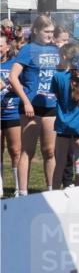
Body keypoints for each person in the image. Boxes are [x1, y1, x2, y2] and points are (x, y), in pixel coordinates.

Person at [8, 15, 60, 193]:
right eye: (46, 31)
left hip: (51, 105)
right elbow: (13, 77)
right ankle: (23, 193)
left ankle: (52, 191)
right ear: (36, 31)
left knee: (50, 151)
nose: (50, 35)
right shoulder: (28, 50)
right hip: (31, 107)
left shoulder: (55, 49)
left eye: (52, 31)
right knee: (27, 151)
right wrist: (25, 101)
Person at [51, 42, 79, 188]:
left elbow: (57, 96)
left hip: (63, 124)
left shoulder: (57, 77)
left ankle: (54, 193)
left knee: (60, 164)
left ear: (64, 56)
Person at [1, 34, 23, 196]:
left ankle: (17, 188)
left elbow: (22, 86)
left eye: (0, 46)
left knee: (15, 150)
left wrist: (8, 86)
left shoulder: (15, 64)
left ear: (7, 47)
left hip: (13, 112)